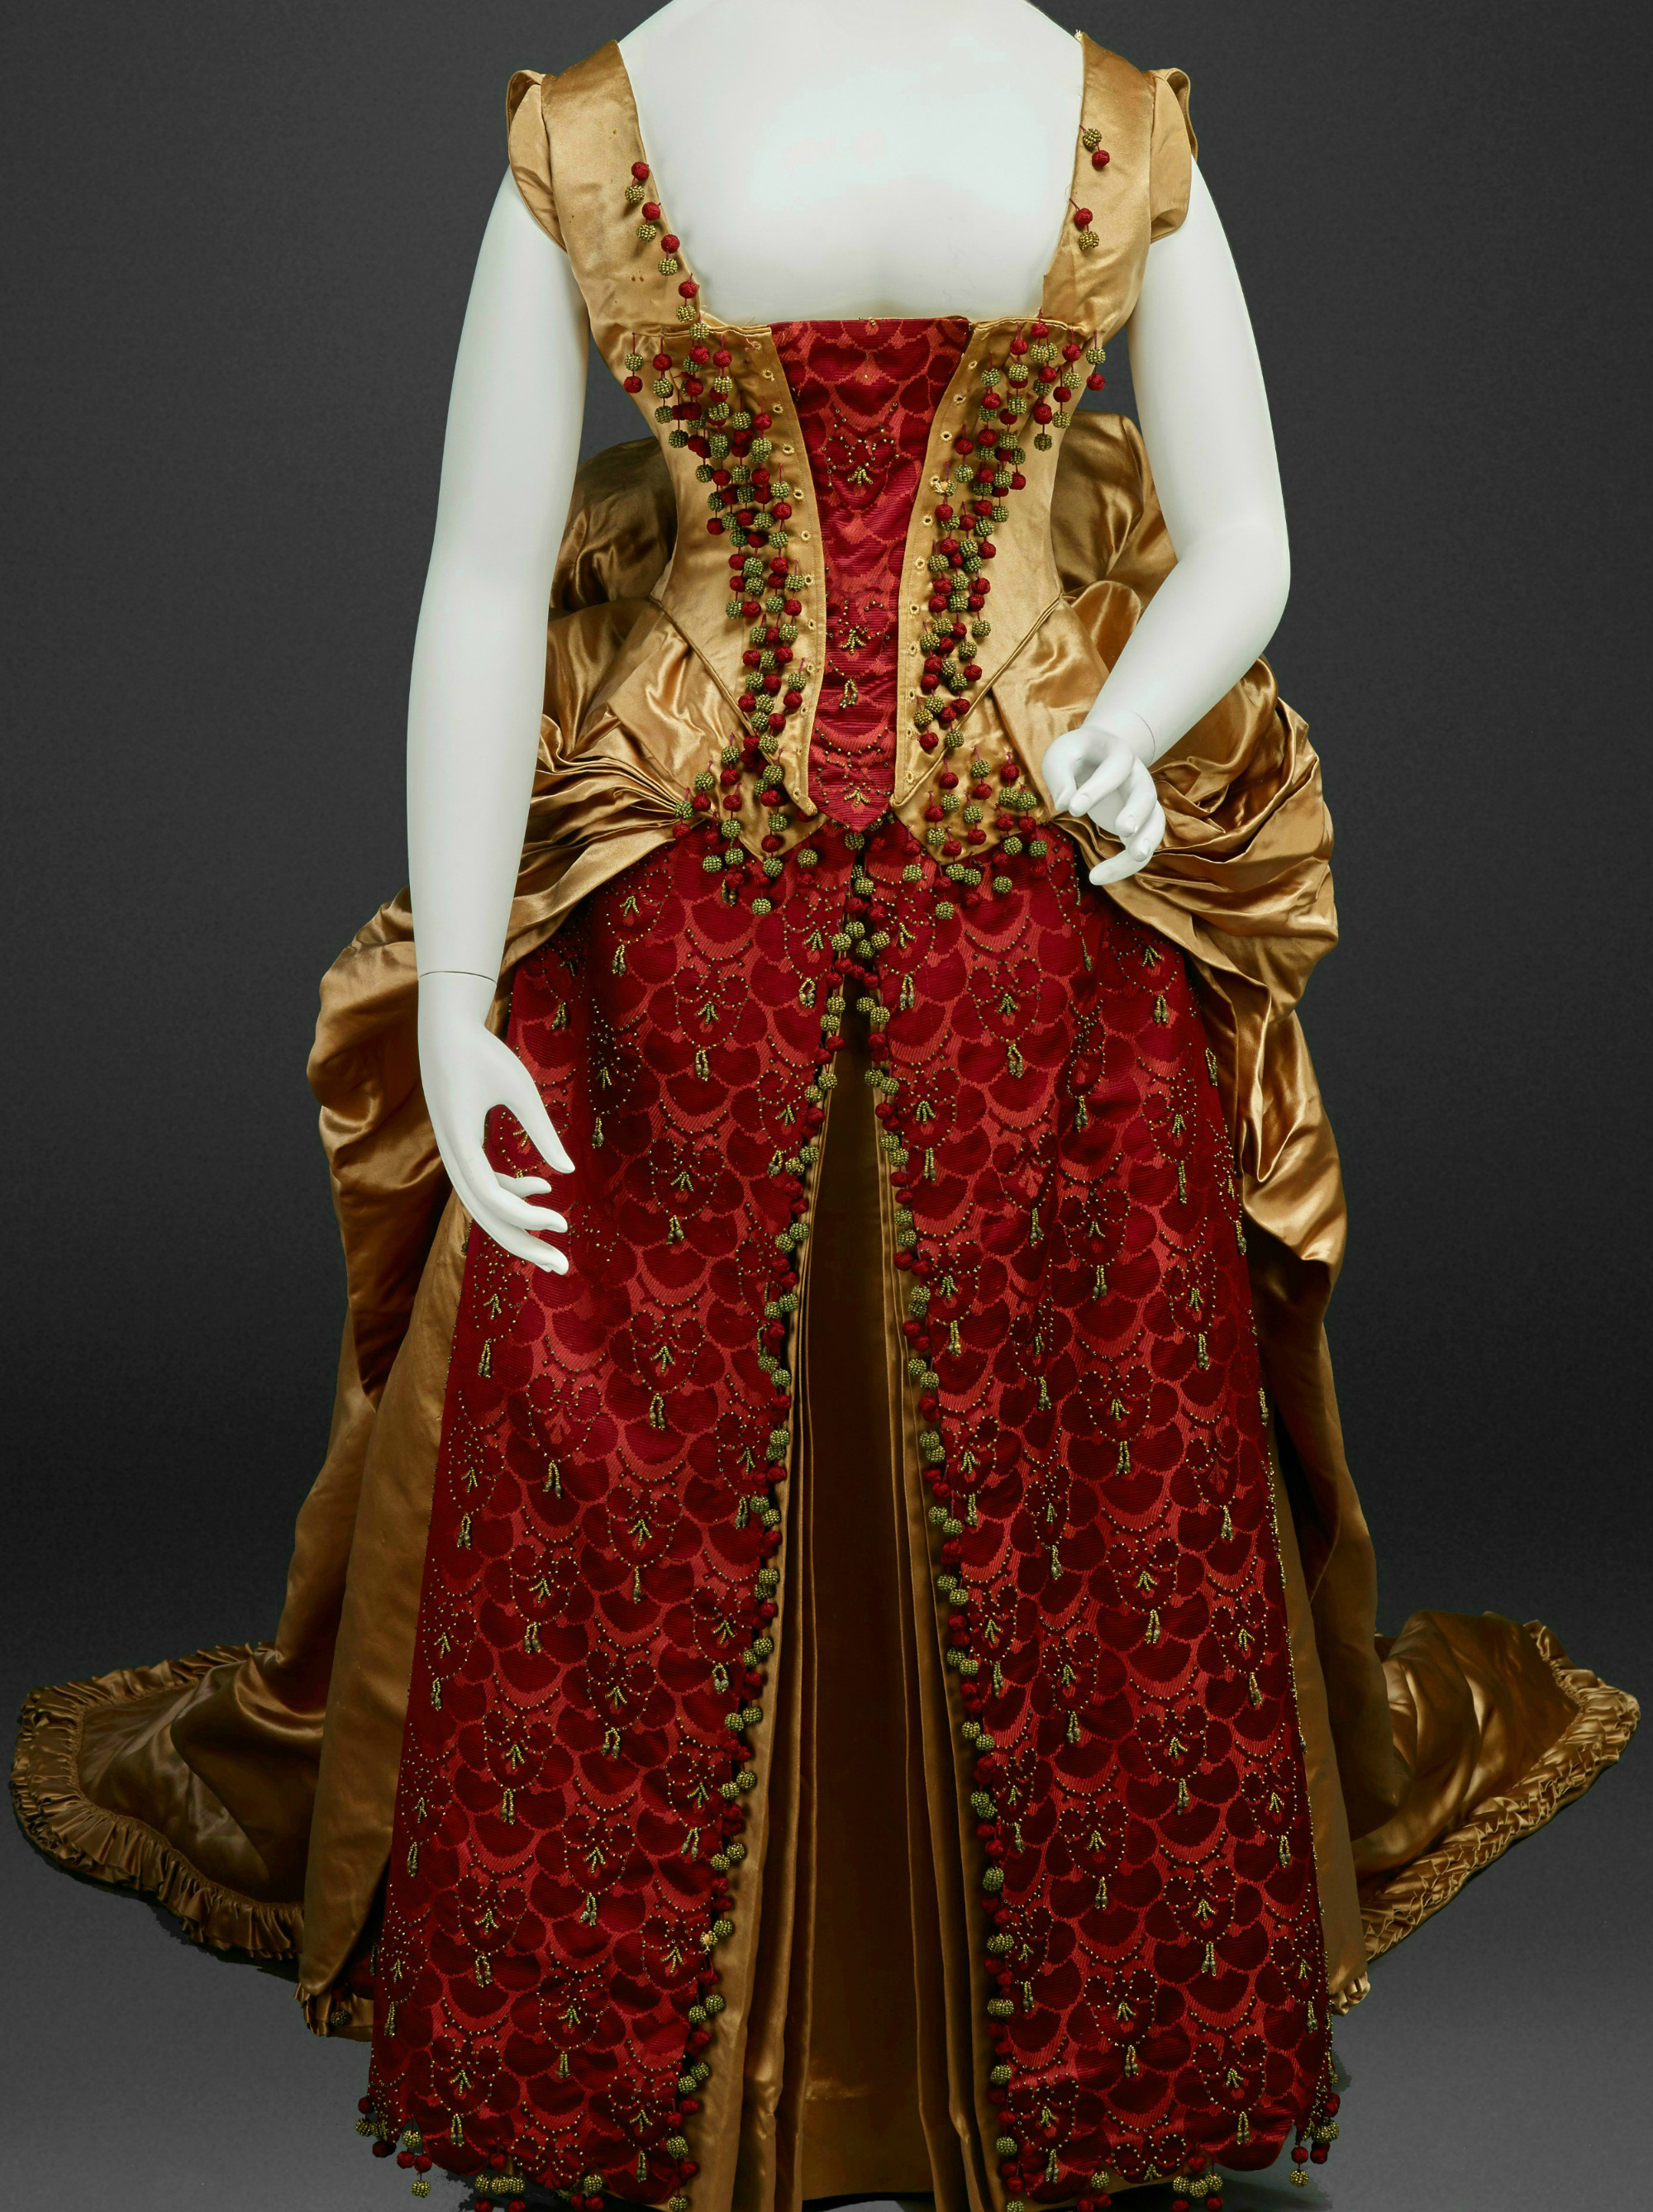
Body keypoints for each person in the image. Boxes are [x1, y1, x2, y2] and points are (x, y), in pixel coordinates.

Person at [12, 9, 1636, 2209]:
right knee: (718, 1448)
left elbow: (1242, 538)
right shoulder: (676, 130)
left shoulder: (1008, 123)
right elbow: (478, 583)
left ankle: (1016, 2050)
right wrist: (465, 992)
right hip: (726, 930)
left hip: (998, 931)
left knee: (1058, 1439)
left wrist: (1126, 728)